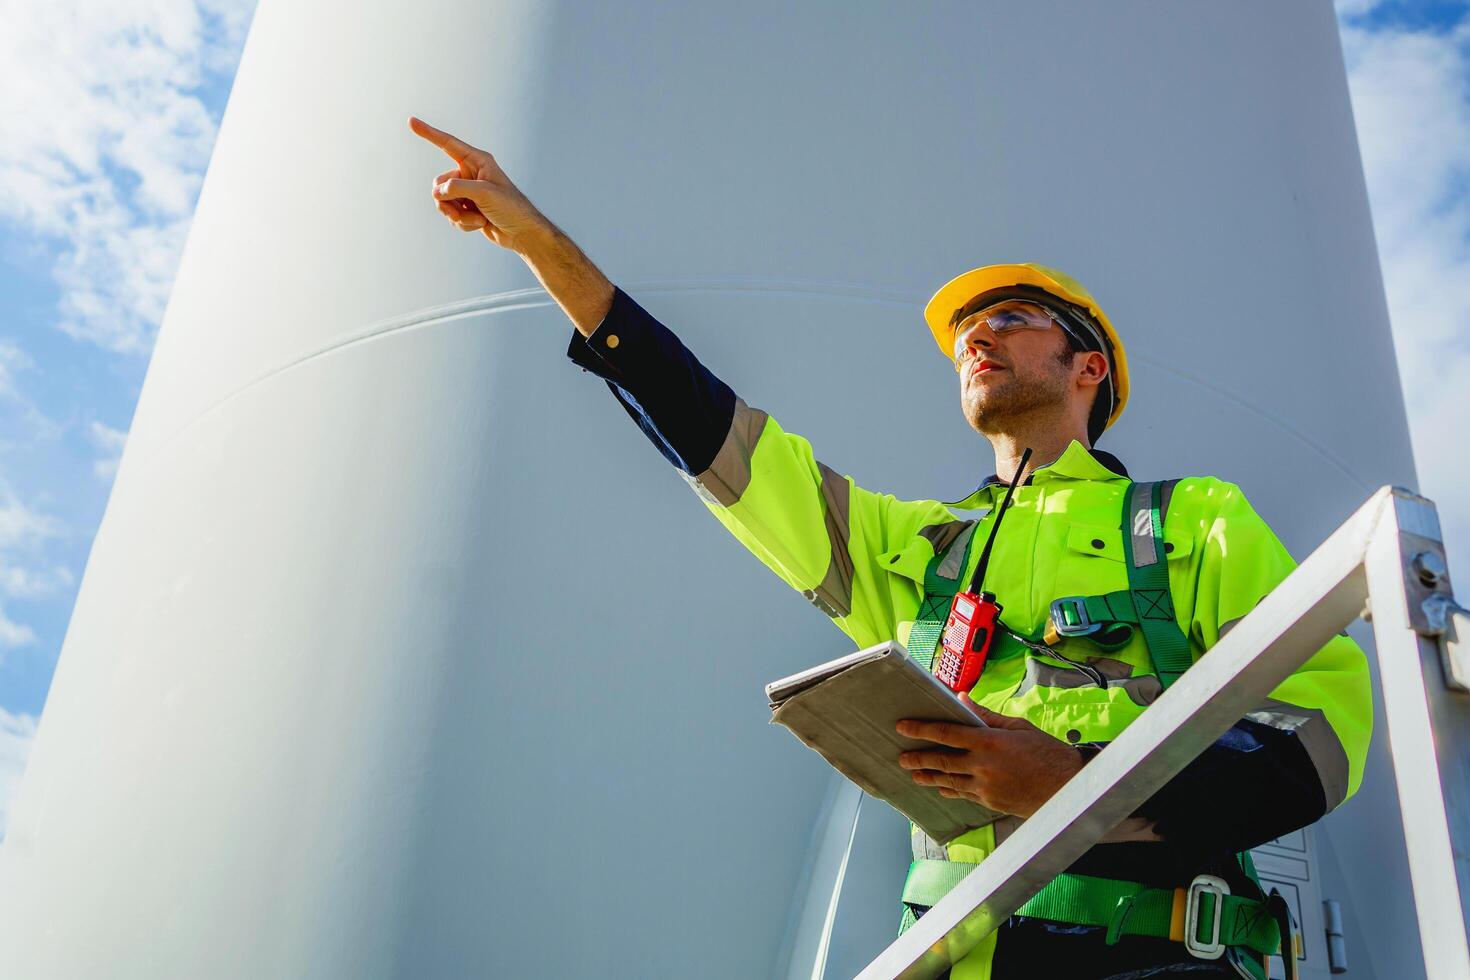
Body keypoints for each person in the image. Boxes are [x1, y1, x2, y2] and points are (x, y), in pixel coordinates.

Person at [408, 116, 1371, 980]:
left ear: (1089, 367)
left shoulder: (1189, 518)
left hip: (1152, 960)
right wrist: (542, 247)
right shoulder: (913, 546)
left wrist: (1074, 782)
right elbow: (713, 432)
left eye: (1010, 319)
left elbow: (1319, 734)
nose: (975, 340)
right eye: (964, 335)